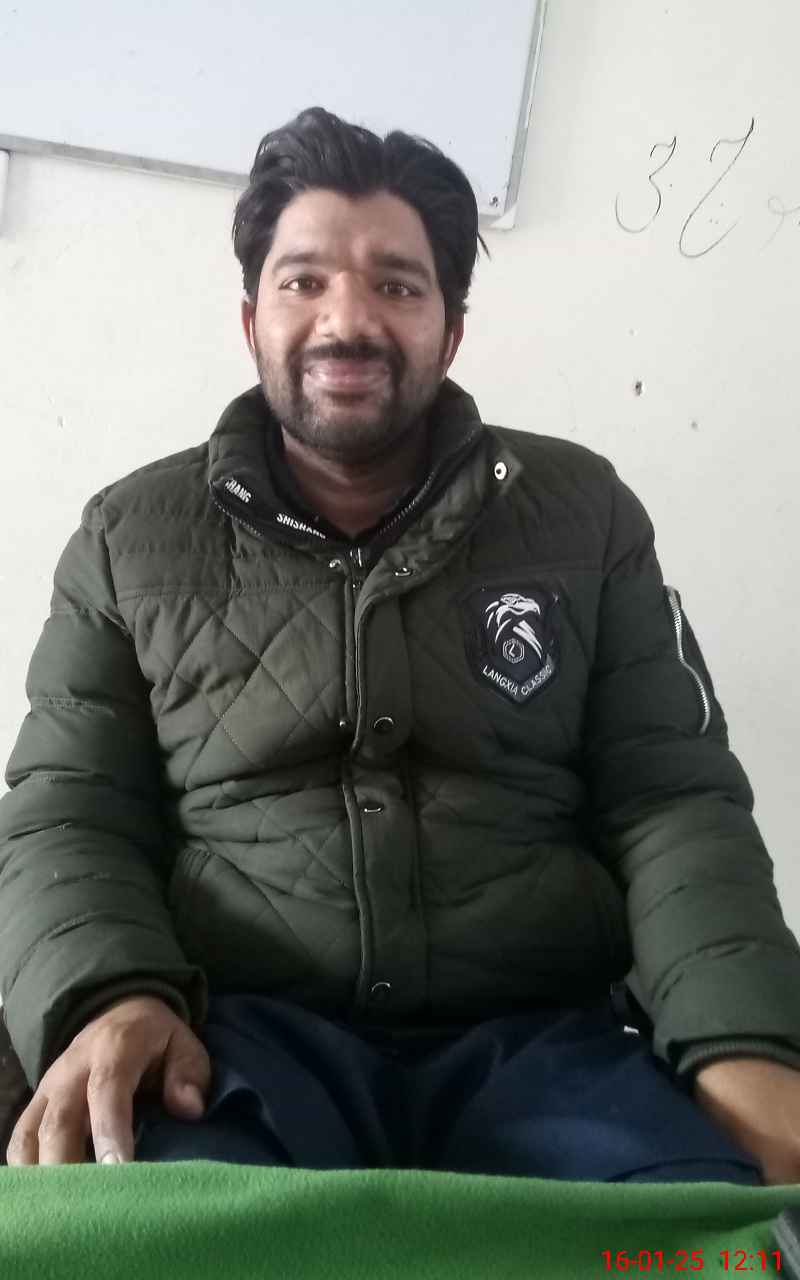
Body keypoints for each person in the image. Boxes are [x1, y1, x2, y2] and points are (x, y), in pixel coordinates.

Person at [2, 106, 800, 1184]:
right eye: (304, 281)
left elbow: (672, 798)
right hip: (235, 1038)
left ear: (450, 330)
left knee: (698, 1242)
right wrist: (112, 994)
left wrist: (742, 1039)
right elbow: (70, 808)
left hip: (546, 1043)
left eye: (397, 284)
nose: (347, 320)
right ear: (251, 320)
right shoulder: (127, 536)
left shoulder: (585, 516)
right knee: (147, 1234)